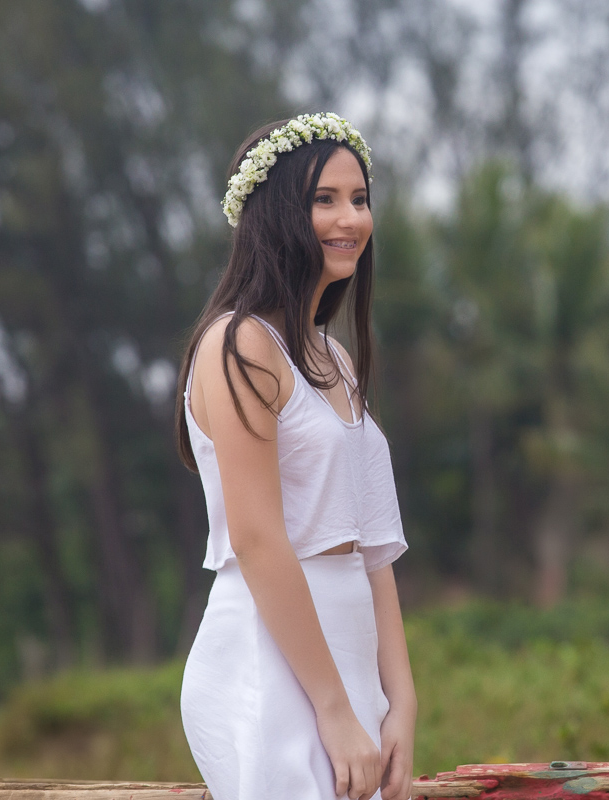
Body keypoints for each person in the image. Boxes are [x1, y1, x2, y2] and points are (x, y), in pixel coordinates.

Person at [175, 113, 416, 800]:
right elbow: (257, 539)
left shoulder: (334, 357)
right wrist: (335, 712)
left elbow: (373, 549)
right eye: (325, 199)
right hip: (268, 659)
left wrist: (398, 702)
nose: (351, 218)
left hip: (347, 659)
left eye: (360, 198)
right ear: (276, 211)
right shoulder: (239, 346)